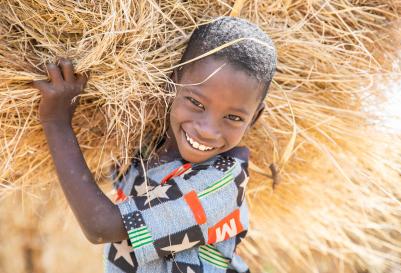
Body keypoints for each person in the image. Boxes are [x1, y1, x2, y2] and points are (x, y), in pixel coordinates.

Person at [32, 16, 276, 273]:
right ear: (174, 81)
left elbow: (101, 226)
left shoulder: (220, 185)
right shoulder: (147, 147)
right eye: (196, 103)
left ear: (255, 117)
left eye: (233, 118)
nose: (207, 130)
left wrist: (56, 123)